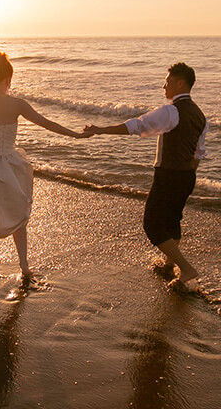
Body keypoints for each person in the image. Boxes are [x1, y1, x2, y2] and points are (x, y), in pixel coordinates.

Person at [0, 50, 88, 279]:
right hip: (9, 167)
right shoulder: (17, 104)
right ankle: (24, 266)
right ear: (8, 78)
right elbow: (47, 124)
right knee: (18, 214)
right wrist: (76, 136)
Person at [84, 62, 208, 289]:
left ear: (181, 83)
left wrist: (100, 129)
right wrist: (186, 176)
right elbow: (198, 153)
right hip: (187, 176)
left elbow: (137, 126)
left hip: (169, 176)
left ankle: (186, 269)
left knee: (152, 225)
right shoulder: (200, 115)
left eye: (168, 81)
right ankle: (170, 265)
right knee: (172, 220)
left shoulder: (172, 111)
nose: (164, 86)